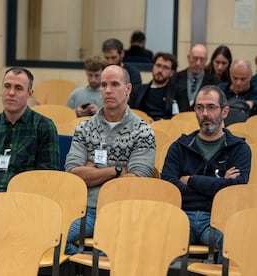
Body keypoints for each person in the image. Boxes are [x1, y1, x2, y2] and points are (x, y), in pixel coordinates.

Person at [64, 65, 155, 255]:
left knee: (112, 253)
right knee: (55, 238)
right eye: (104, 85)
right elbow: (73, 174)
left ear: (128, 89)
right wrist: (117, 171)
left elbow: (137, 181)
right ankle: (83, 264)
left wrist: (92, 171)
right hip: (86, 209)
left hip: (122, 212)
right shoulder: (84, 128)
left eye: (114, 84)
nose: (107, 90)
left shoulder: (143, 131)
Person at [161, 85, 251, 263]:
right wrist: (220, 184)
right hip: (181, 216)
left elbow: (236, 191)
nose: (204, 113)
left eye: (211, 107)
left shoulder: (240, 149)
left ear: (225, 112)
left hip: (217, 219)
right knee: (148, 234)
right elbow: (169, 187)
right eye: (199, 107)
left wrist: (191, 180)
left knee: (236, 241)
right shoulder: (179, 147)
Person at [0, 67, 59, 195]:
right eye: (7, 86)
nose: (11, 93)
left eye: (18, 88)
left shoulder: (44, 127)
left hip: (24, 202)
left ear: (30, 93)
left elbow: (47, 178)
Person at [129, 52, 190, 122]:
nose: (160, 70)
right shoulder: (138, 90)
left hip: (167, 129)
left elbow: (184, 118)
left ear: (172, 73)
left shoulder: (179, 92)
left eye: (165, 68)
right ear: (153, 67)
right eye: (158, 65)